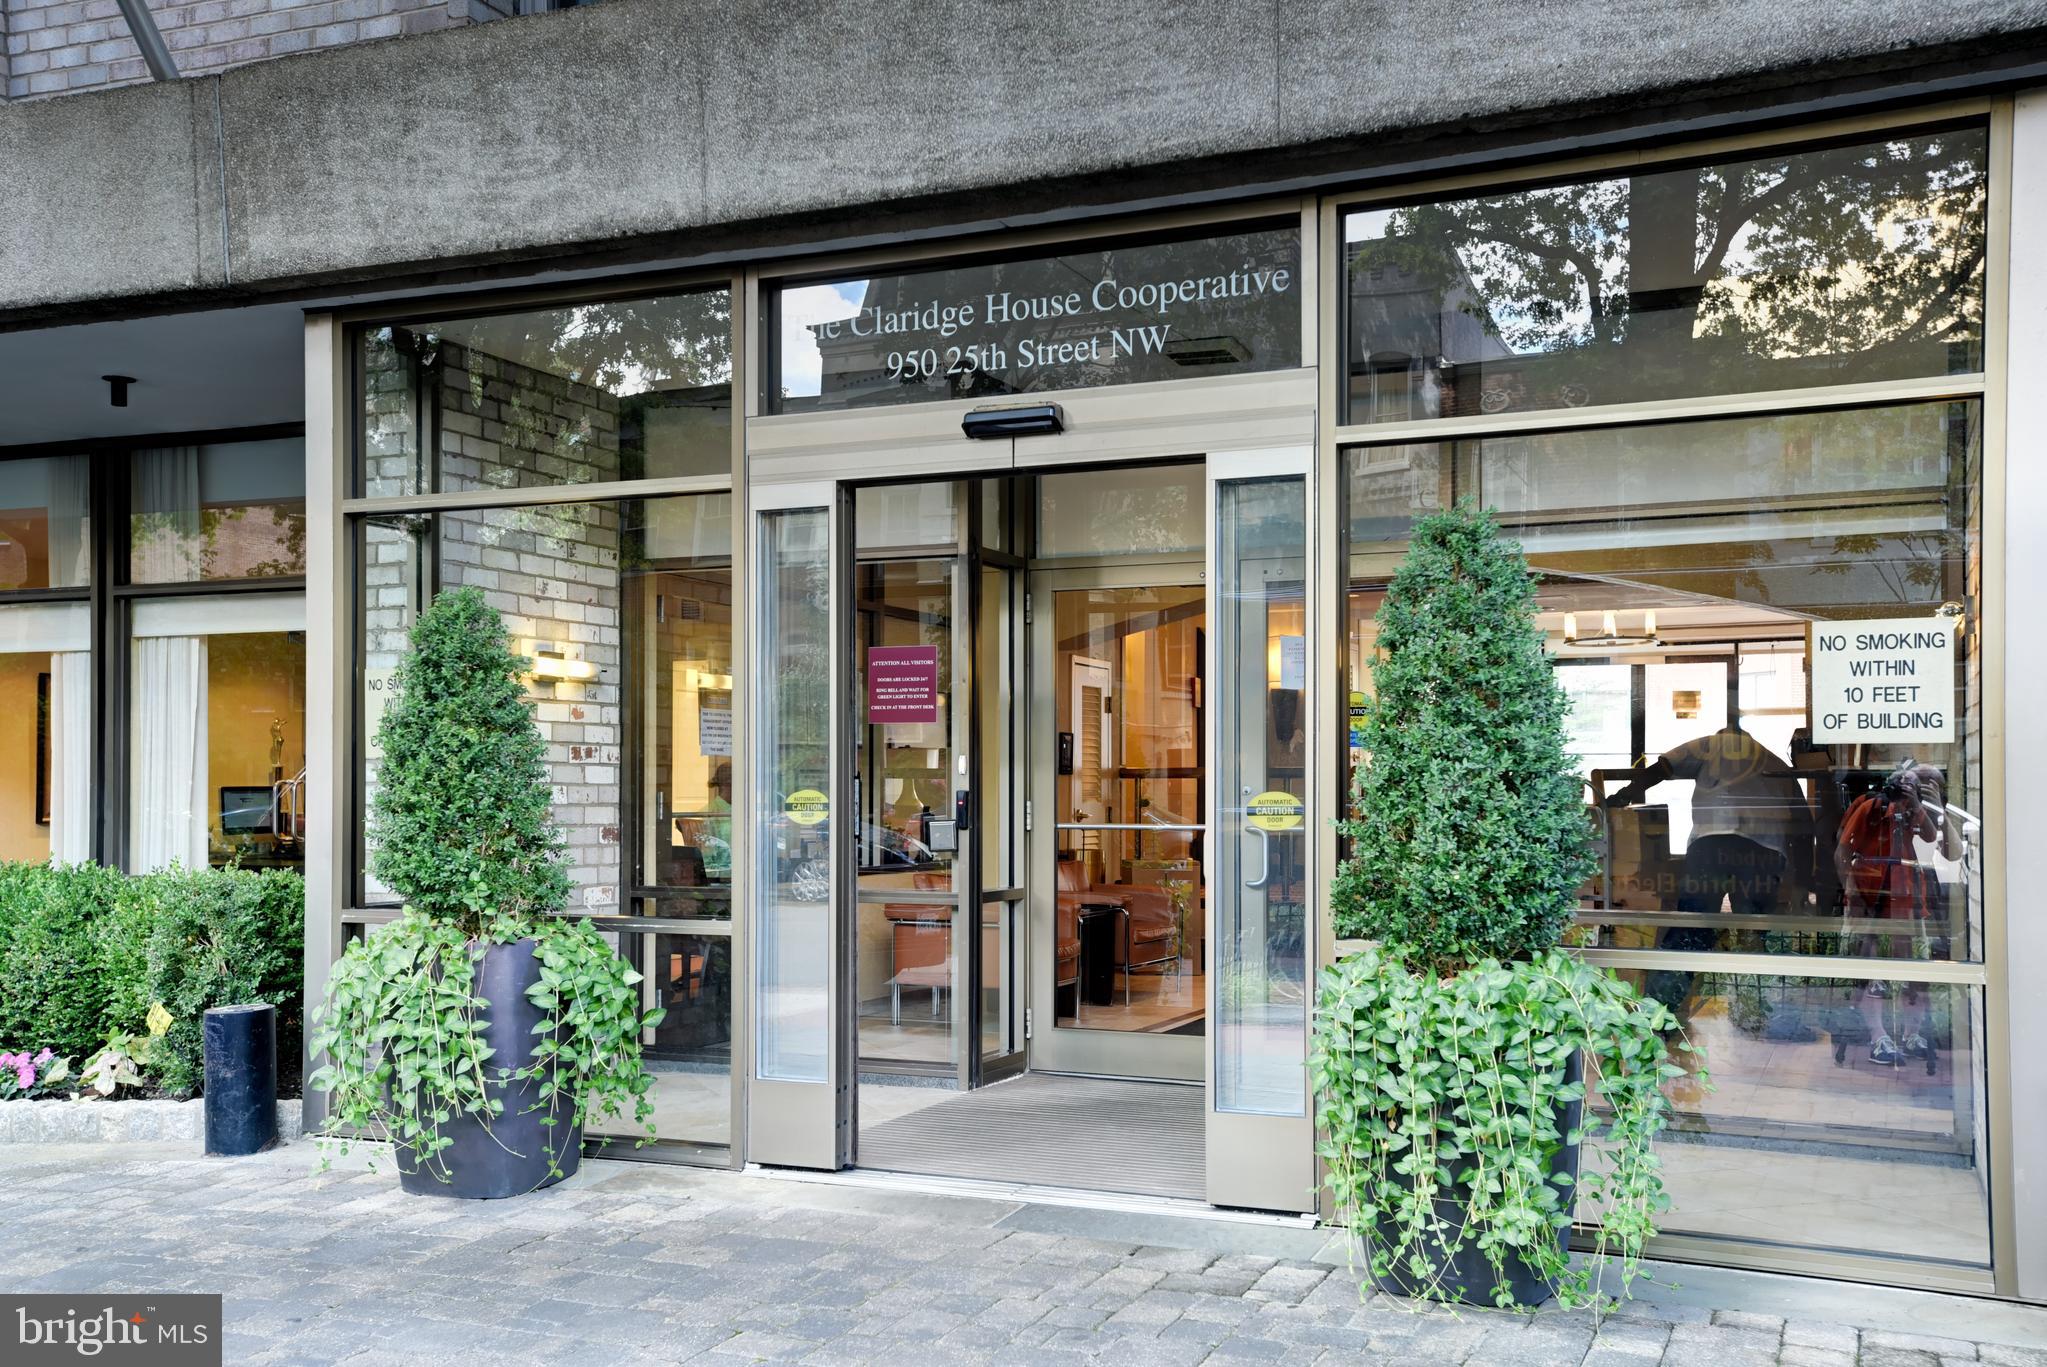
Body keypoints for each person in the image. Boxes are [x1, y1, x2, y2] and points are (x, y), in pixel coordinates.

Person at [1605, 722, 1813, 1009]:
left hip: (1711, 846)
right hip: (1763, 854)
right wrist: (1804, 882)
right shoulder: (1775, 762)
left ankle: (1658, 1014)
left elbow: (1662, 768)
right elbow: (1804, 828)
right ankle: (1757, 1010)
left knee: (1691, 929)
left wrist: (1625, 794)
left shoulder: (1712, 745)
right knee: (1754, 935)